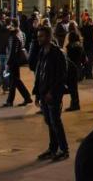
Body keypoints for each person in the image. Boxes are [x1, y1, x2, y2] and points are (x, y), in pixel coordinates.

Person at [33, 26, 70, 161]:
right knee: (49, 121)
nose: (39, 39)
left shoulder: (57, 53)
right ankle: (53, 148)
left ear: (48, 37)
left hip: (53, 93)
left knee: (55, 121)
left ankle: (64, 149)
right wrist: (37, 94)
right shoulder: (42, 51)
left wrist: (52, 92)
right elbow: (39, 73)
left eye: (41, 36)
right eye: (38, 36)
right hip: (43, 92)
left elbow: (61, 75)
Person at [2, 21, 33, 107]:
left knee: (15, 81)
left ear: (13, 26)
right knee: (14, 81)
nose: (8, 27)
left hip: (13, 61)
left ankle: (25, 97)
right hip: (17, 60)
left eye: (10, 25)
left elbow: (12, 51)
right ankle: (12, 100)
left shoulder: (13, 36)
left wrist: (8, 63)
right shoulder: (21, 33)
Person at [65, 28, 86, 110]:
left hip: (71, 68)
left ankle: (74, 104)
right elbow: (84, 59)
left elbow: (67, 58)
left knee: (72, 88)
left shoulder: (69, 47)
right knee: (74, 88)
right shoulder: (80, 46)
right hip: (78, 68)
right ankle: (75, 103)